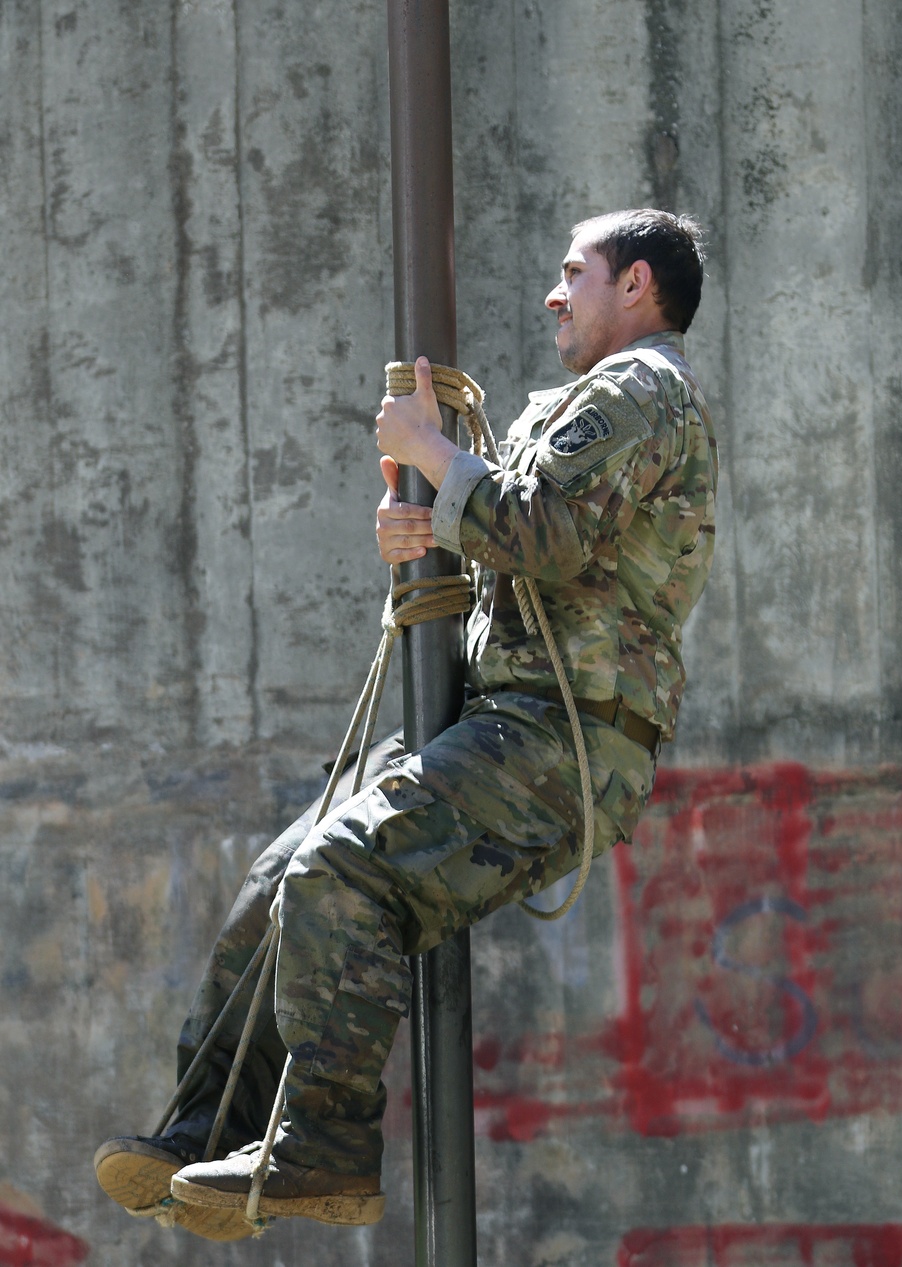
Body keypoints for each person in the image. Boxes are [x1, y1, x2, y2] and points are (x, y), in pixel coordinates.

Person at [93, 208, 718, 1239]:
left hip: (562, 743)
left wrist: (427, 445)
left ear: (637, 284)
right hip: (499, 721)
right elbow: (520, 550)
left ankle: (325, 1151)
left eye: (576, 273)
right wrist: (423, 523)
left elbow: (541, 533)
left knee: (339, 868)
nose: (555, 294)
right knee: (277, 880)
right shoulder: (599, 400)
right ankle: (208, 1125)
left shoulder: (643, 390)